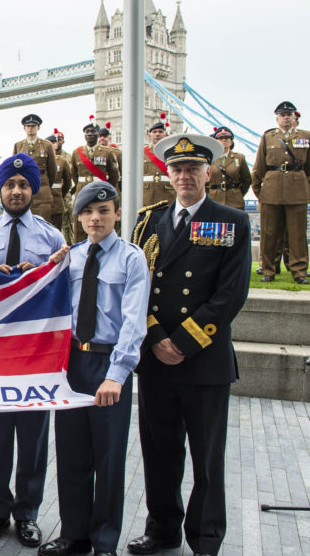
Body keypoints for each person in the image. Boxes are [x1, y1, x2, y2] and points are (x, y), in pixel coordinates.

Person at [128, 134, 251, 556]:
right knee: (159, 453)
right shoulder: (148, 221)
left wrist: (181, 342)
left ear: (208, 174)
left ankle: (205, 538)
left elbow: (230, 294)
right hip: (157, 359)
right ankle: (162, 530)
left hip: (204, 360)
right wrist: (157, 338)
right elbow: (135, 285)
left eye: (192, 169)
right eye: (177, 169)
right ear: (169, 173)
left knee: (207, 459)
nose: (184, 176)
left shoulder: (231, 221)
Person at [37, 182, 149, 556]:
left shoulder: (132, 259)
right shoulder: (70, 258)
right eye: (87, 212)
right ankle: (74, 535)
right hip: (72, 363)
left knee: (108, 457)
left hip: (108, 362)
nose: (95, 218)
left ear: (117, 214)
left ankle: (104, 542)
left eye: (104, 211)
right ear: (79, 217)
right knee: (71, 454)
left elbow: (134, 322)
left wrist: (117, 374)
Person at [0, 153, 66, 548]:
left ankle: (27, 514)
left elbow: (64, 293)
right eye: (10, 185)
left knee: (33, 439)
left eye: (23, 185)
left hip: (35, 355)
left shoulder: (51, 237)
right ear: (0, 190)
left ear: (32, 191)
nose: (16, 191)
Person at [251, 100, 310, 284]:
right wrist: (261, 193)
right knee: (269, 234)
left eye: (289, 115)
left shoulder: (306, 136)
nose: (286, 118)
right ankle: (268, 269)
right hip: (272, 191)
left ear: (294, 117)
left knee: (297, 235)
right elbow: (259, 167)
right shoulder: (268, 137)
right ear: (277, 118)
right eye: (282, 115)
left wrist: (305, 189)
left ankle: (299, 271)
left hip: (297, 191)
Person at [69, 120, 121, 242]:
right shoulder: (77, 153)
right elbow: (74, 174)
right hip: (82, 191)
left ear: (98, 134)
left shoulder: (107, 152)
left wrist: (106, 190)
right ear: (84, 135)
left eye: (93, 132)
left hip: (101, 193)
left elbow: (114, 175)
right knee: (80, 225)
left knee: (100, 224)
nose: (90, 134)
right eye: (88, 132)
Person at [13, 114, 58, 223]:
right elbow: (14, 169)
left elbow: (52, 171)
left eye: (33, 126)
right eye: (28, 126)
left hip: (42, 193)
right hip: (23, 192)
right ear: (24, 128)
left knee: (43, 225)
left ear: (38, 128)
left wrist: (45, 184)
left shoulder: (46, 145)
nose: (31, 129)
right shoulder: (18, 146)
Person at [207, 127, 251, 210]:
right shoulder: (210, 159)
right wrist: (210, 194)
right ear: (215, 141)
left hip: (235, 202)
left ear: (231, 141)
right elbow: (204, 181)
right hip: (214, 201)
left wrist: (237, 193)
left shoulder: (239, 158)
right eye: (220, 138)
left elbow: (247, 180)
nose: (224, 140)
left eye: (227, 138)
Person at [142, 114, 174, 207]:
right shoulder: (142, 153)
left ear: (166, 134)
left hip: (168, 194)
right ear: (150, 135)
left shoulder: (172, 152)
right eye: (154, 132)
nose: (157, 134)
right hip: (146, 195)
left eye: (160, 131)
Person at [46, 134, 73, 235]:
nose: (51, 145)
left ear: (57, 145)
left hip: (57, 200)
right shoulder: (40, 161)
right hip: (43, 202)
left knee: (57, 231)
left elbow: (68, 181)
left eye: (53, 143)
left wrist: (61, 194)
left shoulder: (62, 161)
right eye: (49, 143)